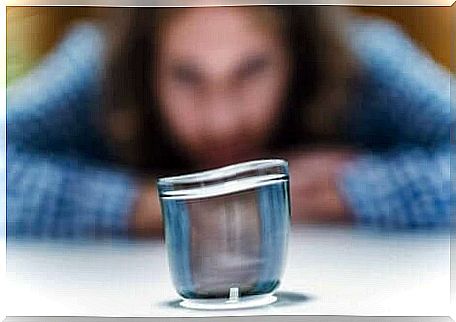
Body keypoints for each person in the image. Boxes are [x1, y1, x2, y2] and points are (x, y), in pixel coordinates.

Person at [6, 6, 453, 239]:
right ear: (146, 63)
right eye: (187, 76)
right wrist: (154, 208)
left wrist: (347, 193)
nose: (222, 121)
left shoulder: (361, 63)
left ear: (296, 51)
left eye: (251, 71)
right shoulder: (100, 70)